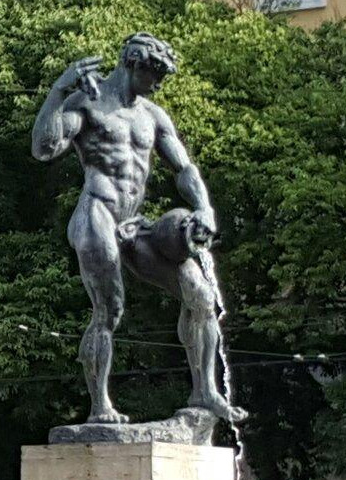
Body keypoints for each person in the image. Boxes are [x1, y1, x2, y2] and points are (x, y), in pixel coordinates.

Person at [32, 33, 246, 424]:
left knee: (199, 296)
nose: (159, 83)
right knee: (109, 309)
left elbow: (184, 169)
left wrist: (204, 208)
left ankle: (205, 391)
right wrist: (59, 90)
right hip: (97, 214)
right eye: (156, 73)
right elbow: (44, 147)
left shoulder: (153, 116)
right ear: (134, 63)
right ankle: (100, 406)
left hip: (133, 224)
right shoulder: (89, 104)